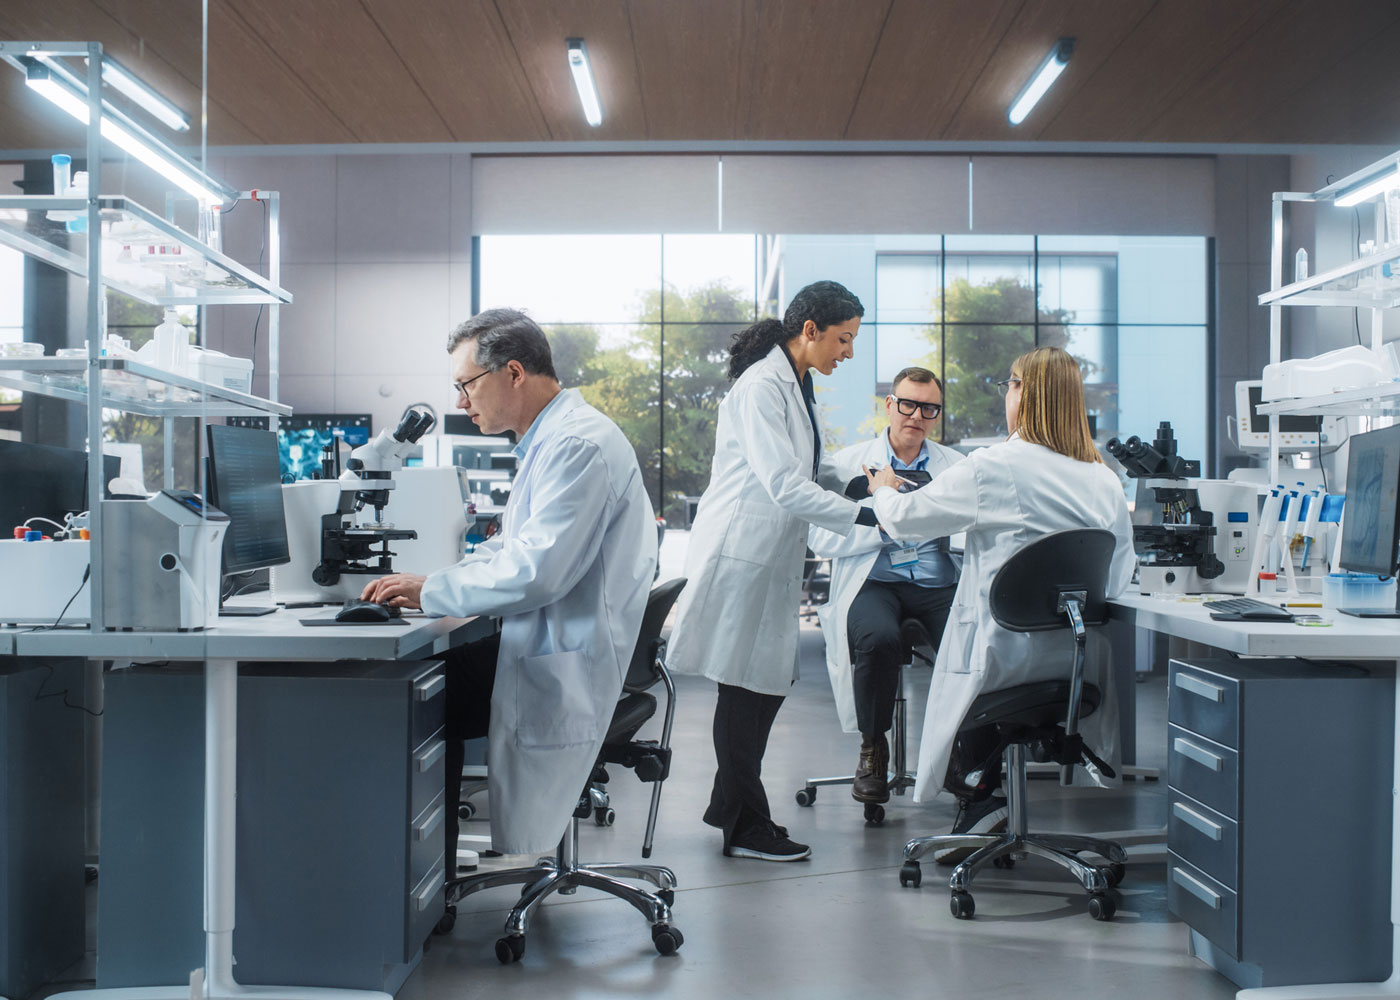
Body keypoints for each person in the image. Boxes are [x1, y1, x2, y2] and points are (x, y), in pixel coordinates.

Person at [362, 308, 657, 870]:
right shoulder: (553, 440)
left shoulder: (576, 445)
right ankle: (428, 871)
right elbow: (513, 547)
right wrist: (436, 581)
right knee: (426, 682)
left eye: (466, 385)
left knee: (416, 695)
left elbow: (537, 569)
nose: (460, 403)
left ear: (514, 373)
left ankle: (432, 876)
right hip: (553, 638)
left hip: (566, 654)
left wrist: (432, 592)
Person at [866, 346, 1134, 861]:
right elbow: (1119, 577)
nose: (1007, 395)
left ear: (1025, 395)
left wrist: (882, 488)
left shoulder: (995, 467)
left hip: (1001, 660)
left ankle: (980, 800)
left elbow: (903, 520)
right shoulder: (1103, 478)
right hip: (1077, 667)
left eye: (1010, 385)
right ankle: (983, 804)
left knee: (956, 679)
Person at [667, 280, 876, 863]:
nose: (848, 352)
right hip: (742, 553)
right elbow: (784, 484)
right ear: (810, 331)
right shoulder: (763, 385)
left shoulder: (796, 380)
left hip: (767, 553)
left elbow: (803, 466)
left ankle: (731, 807)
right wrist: (865, 514)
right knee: (746, 688)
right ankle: (744, 823)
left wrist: (858, 482)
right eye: (844, 339)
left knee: (761, 686)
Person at [808, 366, 964, 804]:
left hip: (937, 583)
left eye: (928, 408)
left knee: (969, 640)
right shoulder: (846, 465)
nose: (916, 415)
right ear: (890, 405)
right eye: (908, 404)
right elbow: (818, 536)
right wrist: (885, 518)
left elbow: (976, 527)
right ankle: (873, 747)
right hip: (875, 582)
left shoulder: (957, 468)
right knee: (878, 640)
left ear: (936, 414)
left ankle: (961, 751)